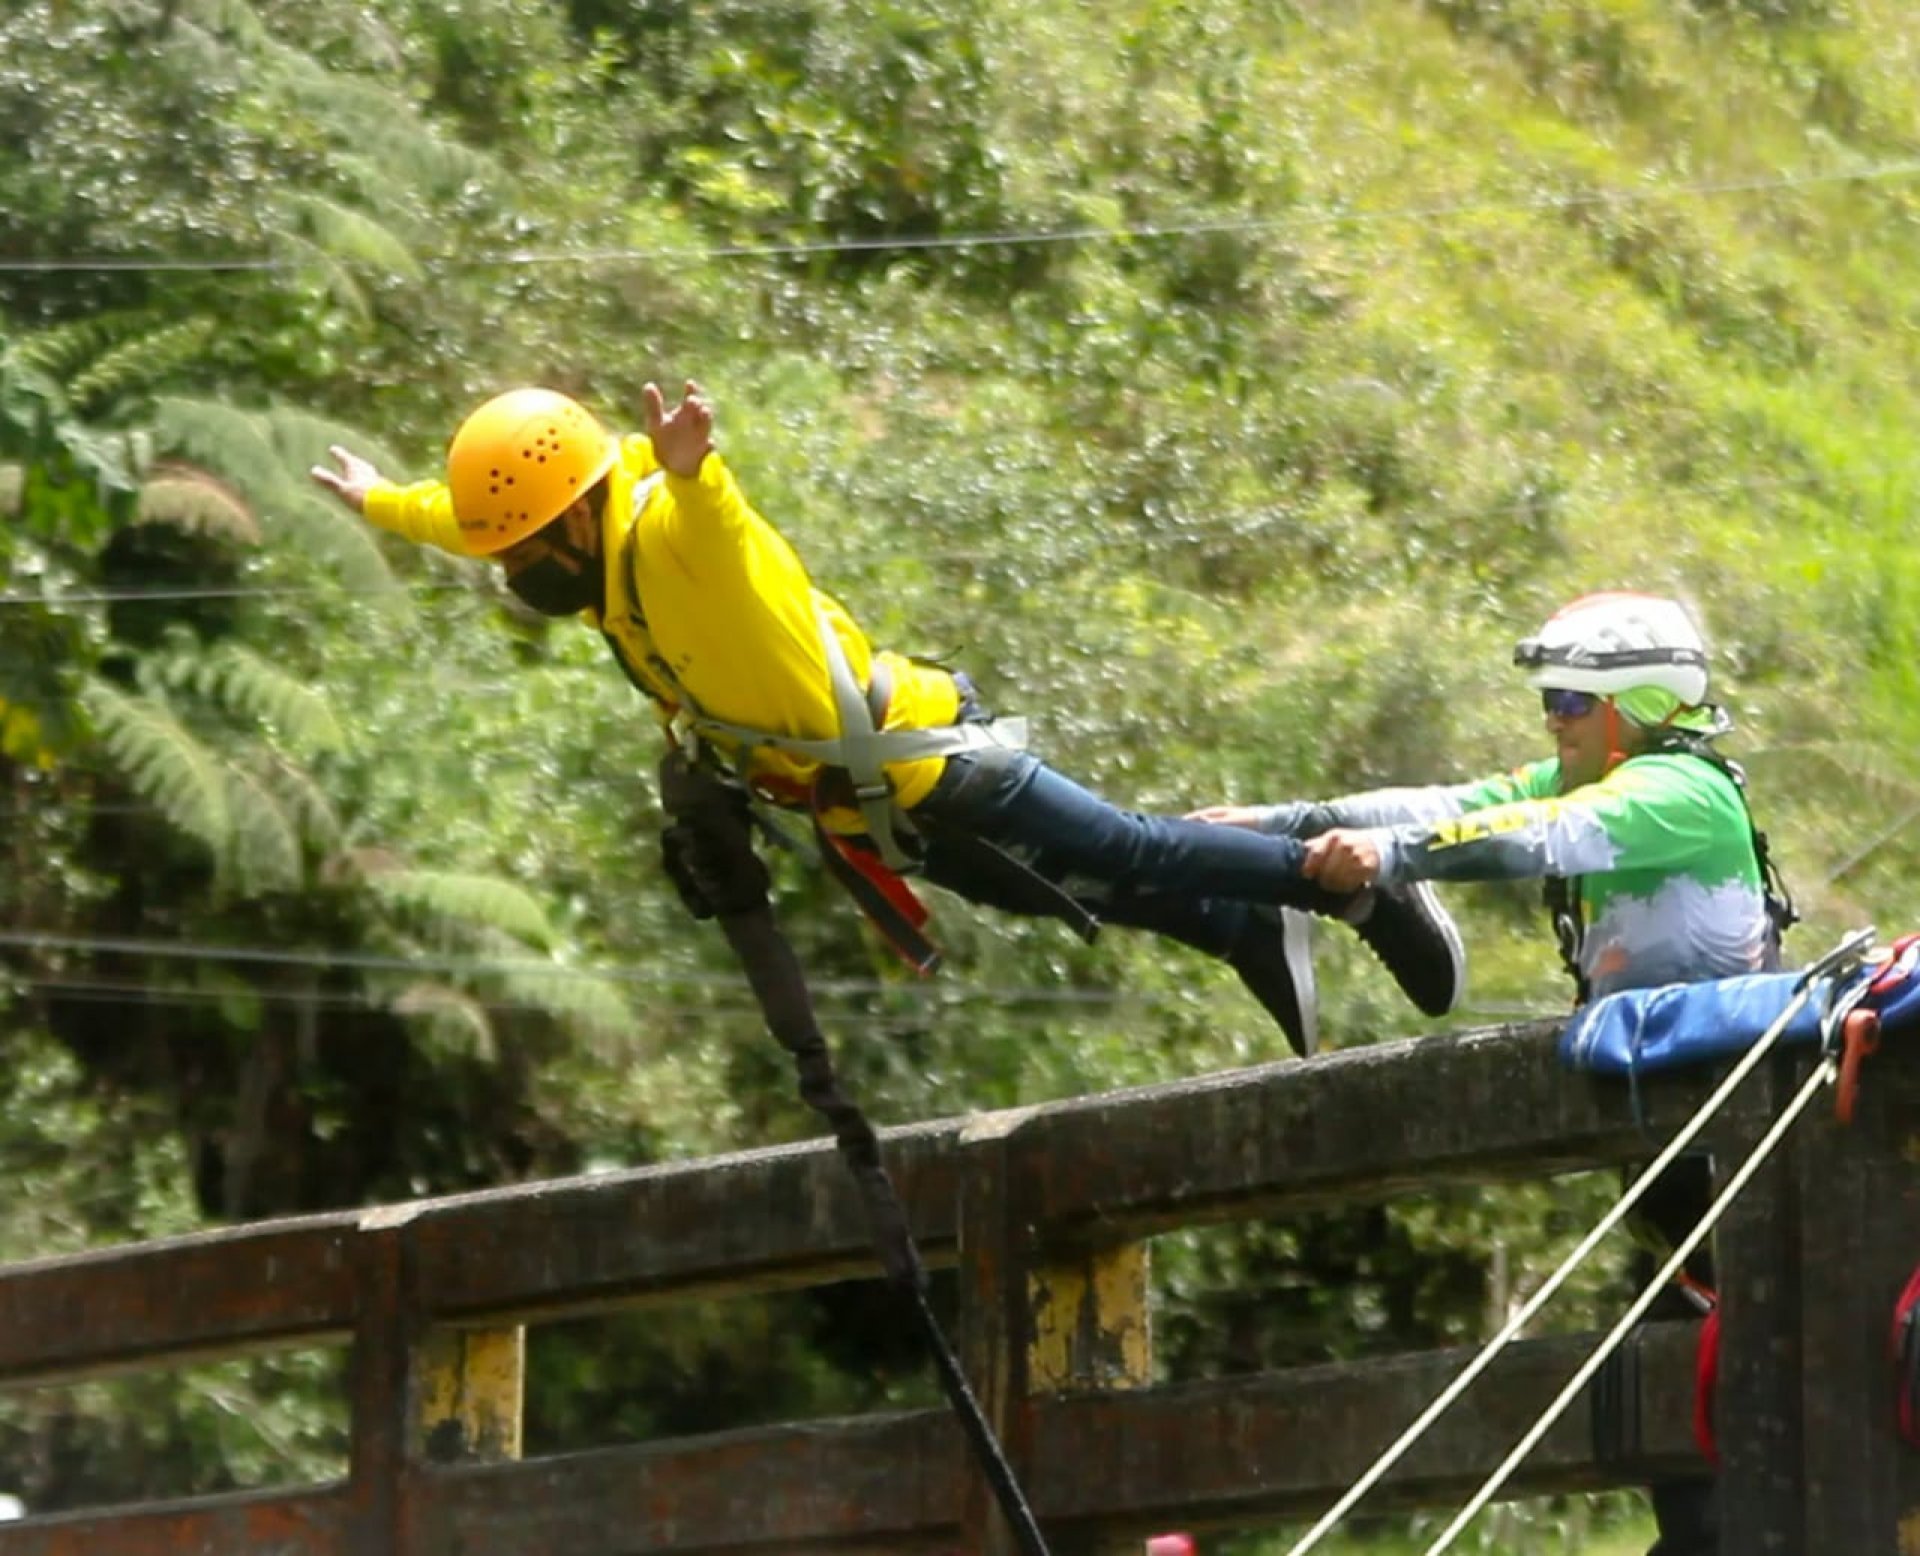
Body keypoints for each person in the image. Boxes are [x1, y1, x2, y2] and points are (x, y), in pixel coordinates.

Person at [309, 381, 1464, 1056]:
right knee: (1074, 890)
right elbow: (468, 521)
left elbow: (712, 515)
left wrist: (696, 470)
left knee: (1123, 845)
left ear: (570, 520)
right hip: (865, 803)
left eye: (519, 556)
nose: (508, 576)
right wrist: (381, 504)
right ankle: (1245, 925)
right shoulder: (591, 558)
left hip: (926, 757)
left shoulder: (668, 529)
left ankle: (1349, 879)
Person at [1195, 589, 1787, 1556]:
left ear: (1632, 704)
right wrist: (1272, 821)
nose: (1549, 720)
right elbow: (1461, 802)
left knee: (1748, 1407)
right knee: (1686, 1409)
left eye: (1565, 703)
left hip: (1741, 1147)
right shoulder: (1590, 774)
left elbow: (1529, 837)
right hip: (1671, 1154)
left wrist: (1387, 859)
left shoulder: (1680, 793)